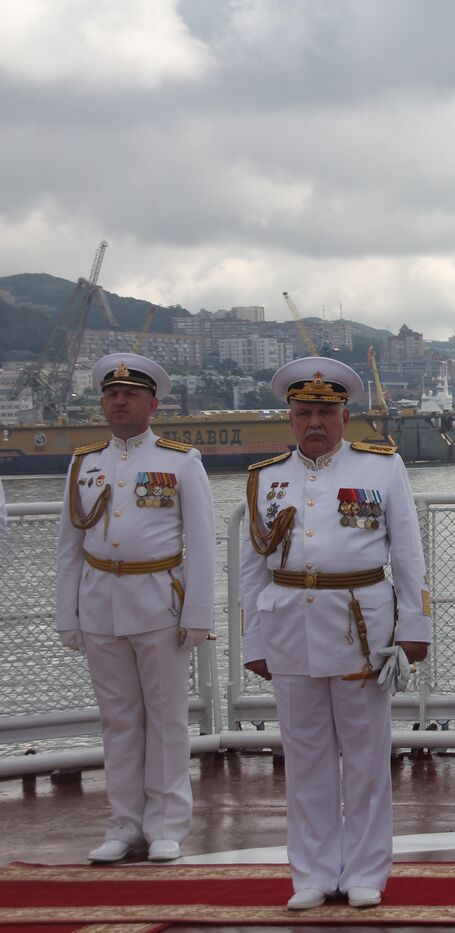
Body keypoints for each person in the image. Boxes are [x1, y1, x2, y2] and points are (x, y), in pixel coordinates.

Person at [239, 357, 432, 911]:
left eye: (325, 411)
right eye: (304, 413)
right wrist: (253, 641)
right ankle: (314, 873)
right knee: (304, 756)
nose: (314, 422)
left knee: (367, 753)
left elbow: (407, 553)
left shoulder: (380, 467)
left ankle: (367, 870)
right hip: (288, 623)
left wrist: (413, 626)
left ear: (345, 415)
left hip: (360, 626)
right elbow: (253, 568)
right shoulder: (266, 477)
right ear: (291, 418)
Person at [53, 353, 215, 864]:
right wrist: (67, 613)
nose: (119, 401)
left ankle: (167, 824)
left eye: (130, 395)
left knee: (166, 719)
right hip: (100, 603)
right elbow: (69, 545)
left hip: (158, 602)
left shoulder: (180, 461)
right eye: (110, 394)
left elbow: (203, 544)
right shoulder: (85, 463)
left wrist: (197, 615)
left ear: (152, 404)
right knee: (118, 721)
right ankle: (123, 825)